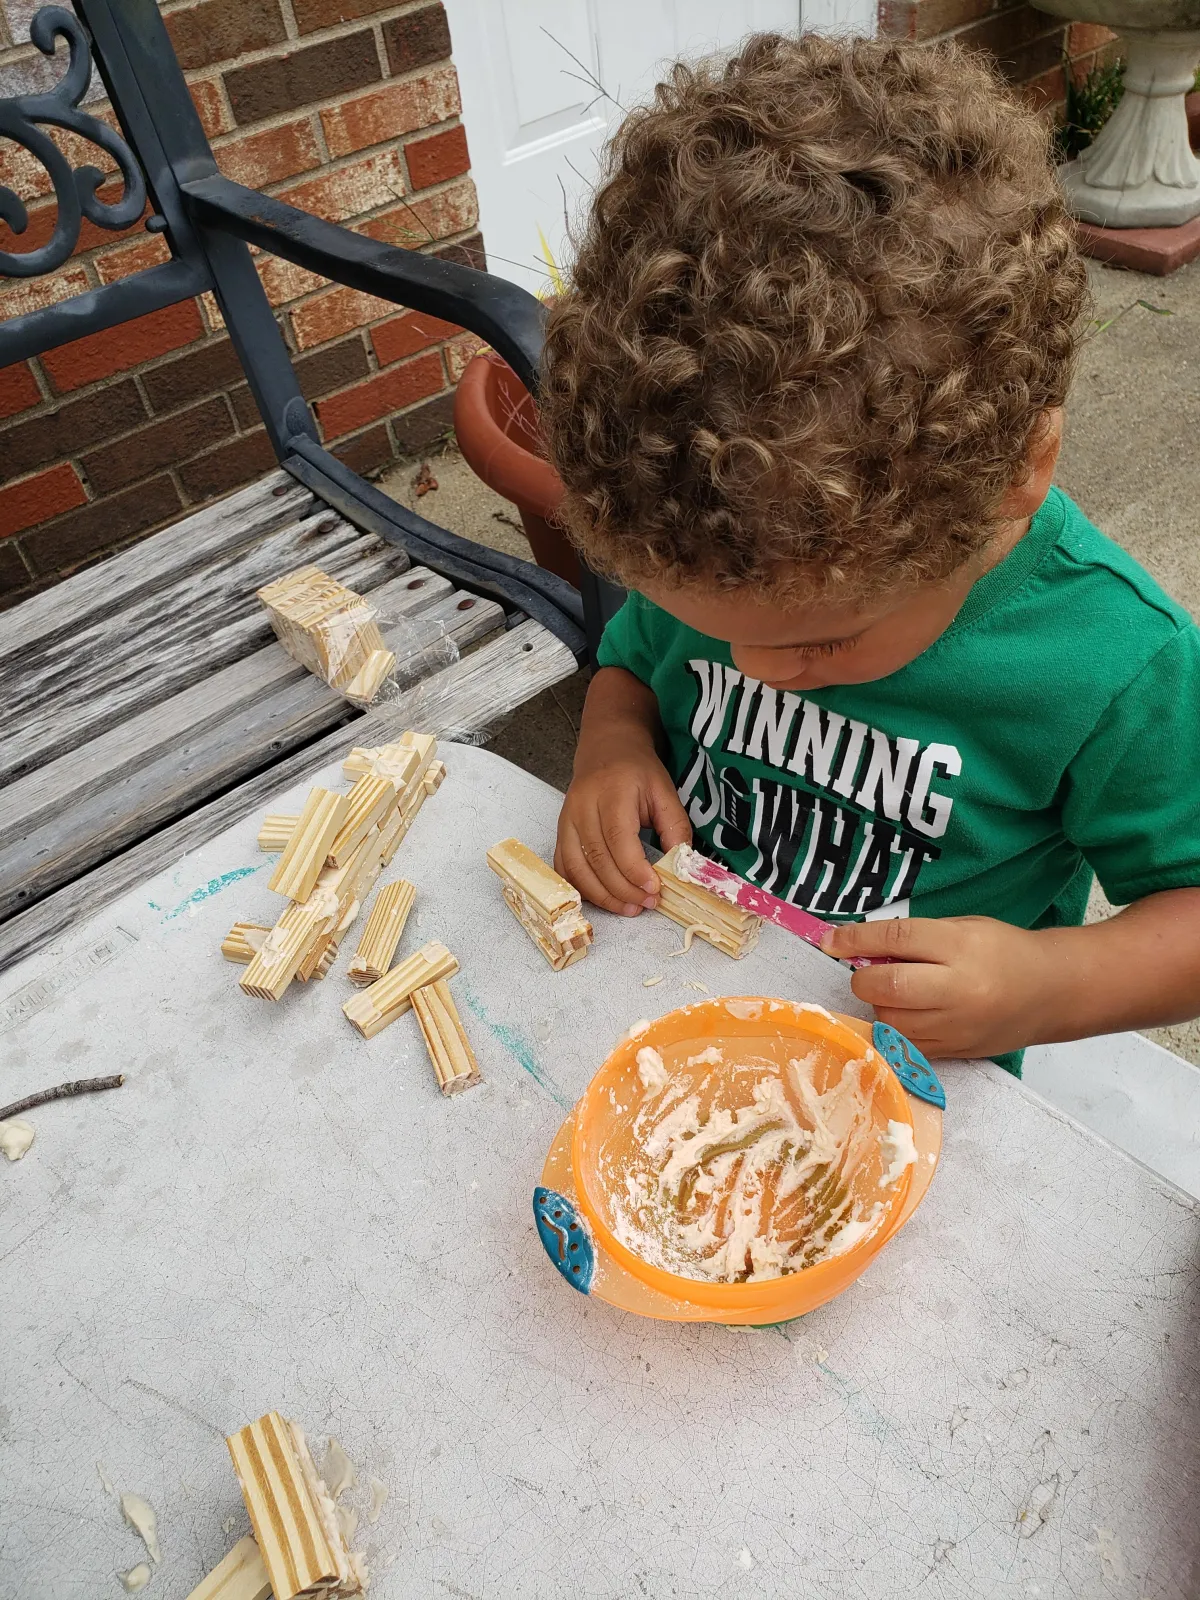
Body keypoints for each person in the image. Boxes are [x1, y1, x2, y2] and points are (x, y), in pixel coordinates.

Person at [538, 32, 1200, 1070]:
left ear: (1020, 473)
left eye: (825, 641)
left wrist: (1043, 988)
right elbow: (634, 658)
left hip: (921, 1081)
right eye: (719, 635)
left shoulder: (1115, 660)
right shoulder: (721, 541)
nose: (756, 674)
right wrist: (612, 748)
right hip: (684, 1002)